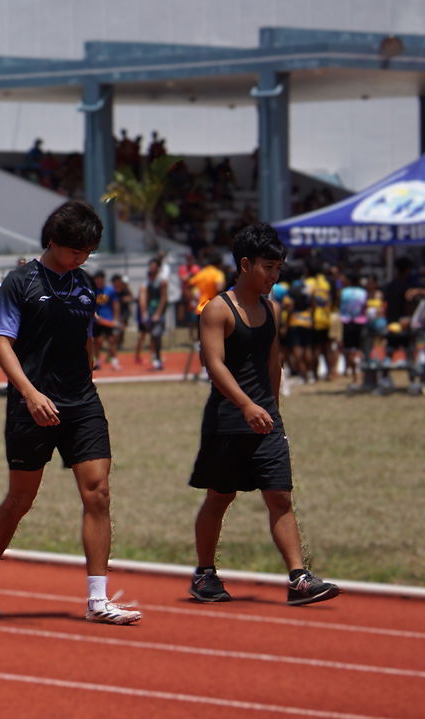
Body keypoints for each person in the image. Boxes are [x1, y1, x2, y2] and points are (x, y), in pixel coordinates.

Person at [0, 200, 142, 626]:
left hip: (82, 401)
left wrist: (88, 372)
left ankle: (98, 599)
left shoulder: (85, 282)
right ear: (53, 241)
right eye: (76, 250)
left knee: (98, 492)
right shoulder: (20, 281)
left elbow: (86, 336)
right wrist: (30, 394)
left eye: (88, 252)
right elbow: (1, 342)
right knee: (20, 499)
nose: (82, 258)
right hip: (32, 404)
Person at [188, 224, 340, 606]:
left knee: (279, 496)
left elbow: (274, 362)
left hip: (265, 418)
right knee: (220, 497)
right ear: (245, 265)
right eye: (268, 267)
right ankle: (205, 573)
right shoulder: (217, 309)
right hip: (228, 419)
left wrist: (272, 407)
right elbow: (214, 364)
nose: (274, 276)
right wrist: (246, 405)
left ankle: (298, 578)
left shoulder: (271, 309)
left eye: (278, 268)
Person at [183, 255, 226, 380]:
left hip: (201, 309)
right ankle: (216, 369)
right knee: (217, 341)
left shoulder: (201, 273)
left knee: (203, 341)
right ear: (219, 264)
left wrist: (191, 299)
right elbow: (219, 287)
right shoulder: (218, 273)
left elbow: (188, 285)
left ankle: (204, 370)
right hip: (214, 310)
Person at [134, 258, 168, 370]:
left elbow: (163, 298)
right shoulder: (147, 282)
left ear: (157, 268)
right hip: (149, 312)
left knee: (156, 335)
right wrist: (144, 313)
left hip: (158, 312)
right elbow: (144, 297)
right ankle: (156, 358)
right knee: (153, 336)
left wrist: (158, 313)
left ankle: (157, 358)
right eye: (150, 266)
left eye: (153, 266)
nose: (151, 268)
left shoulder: (162, 281)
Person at [90, 271, 118, 371]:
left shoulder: (110, 290)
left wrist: (115, 318)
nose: (100, 281)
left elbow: (115, 304)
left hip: (108, 319)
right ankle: (97, 361)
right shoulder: (92, 291)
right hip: (96, 320)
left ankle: (114, 361)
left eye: (101, 279)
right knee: (97, 341)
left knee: (111, 340)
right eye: (97, 279)